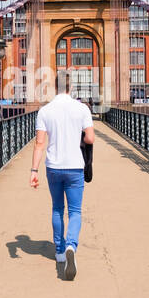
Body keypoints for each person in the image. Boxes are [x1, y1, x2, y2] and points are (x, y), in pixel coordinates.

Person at [30, 73, 95, 281]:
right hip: (75, 166)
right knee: (75, 211)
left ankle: (59, 252)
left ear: (53, 87)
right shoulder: (82, 109)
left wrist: (33, 171)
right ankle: (71, 246)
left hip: (53, 167)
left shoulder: (45, 111)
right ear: (71, 86)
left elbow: (39, 143)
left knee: (57, 208)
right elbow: (90, 137)